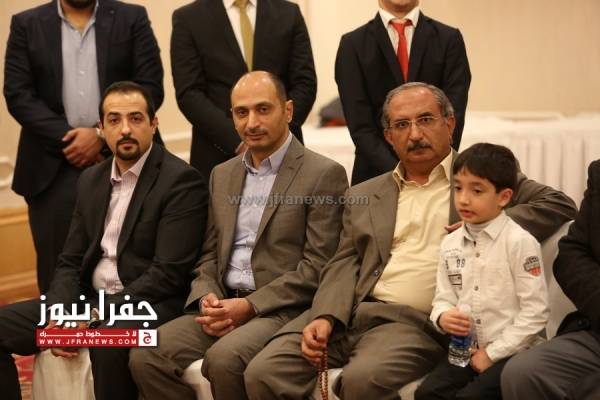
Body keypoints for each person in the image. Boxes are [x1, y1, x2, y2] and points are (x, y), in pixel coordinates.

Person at [244, 82, 576, 400]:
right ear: (389, 137)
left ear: (449, 124)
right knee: (263, 372)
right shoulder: (364, 193)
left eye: (426, 120)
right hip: (352, 315)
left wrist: (487, 223)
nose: (415, 134)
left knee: (362, 380)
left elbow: (558, 203)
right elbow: (344, 262)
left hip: (412, 322)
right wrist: (325, 315)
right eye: (402, 125)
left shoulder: (478, 180)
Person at [128, 71, 348, 400]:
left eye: (263, 109)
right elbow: (209, 254)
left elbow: (319, 266)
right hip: (224, 303)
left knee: (224, 360)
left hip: (282, 309)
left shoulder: (322, 174)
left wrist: (249, 306)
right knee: (146, 354)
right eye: (241, 112)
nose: (252, 122)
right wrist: (207, 297)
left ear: (288, 111)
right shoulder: (222, 174)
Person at [0, 81, 207, 400]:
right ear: (101, 128)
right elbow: (70, 260)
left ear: (153, 124)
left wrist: (93, 316)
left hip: (148, 304)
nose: (125, 129)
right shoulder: (91, 179)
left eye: (135, 118)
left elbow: (167, 274)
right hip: (89, 300)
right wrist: (61, 313)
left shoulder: (180, 181)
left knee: (106, 340)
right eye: (114, 120)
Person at [3, 0, 164, 293]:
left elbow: (150, 86)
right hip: (50, 169)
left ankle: (116, 324)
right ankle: (61, 324)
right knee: (57, 275)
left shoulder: (131, 17)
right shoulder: (26, 24)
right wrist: (71, 138)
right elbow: (18, 94)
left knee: (132, 265)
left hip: (124, 160)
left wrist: (100, 135)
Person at [414, 143, 549, 400]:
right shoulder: (450, 243)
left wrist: (492, 353)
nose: (464, 199)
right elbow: (443, 298)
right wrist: (443, 316)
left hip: (514, 352)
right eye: (458, 188)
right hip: (465, 350)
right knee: (427, 394)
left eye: (477, 190)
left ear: (504, 197)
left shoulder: (519, 242)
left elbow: (536, 312)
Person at [170, 0, 317, 179]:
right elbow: (189, 93)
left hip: (286, 155)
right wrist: (239, 141)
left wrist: (277, 135)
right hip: (218, 155)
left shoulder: (288, 13)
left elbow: (305, 83)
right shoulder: (188, 18)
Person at [336, 0, 470, 185]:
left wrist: (432, 167)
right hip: (376, 175)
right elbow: (360, 125)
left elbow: (453, 115)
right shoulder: (353, 44)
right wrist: (401, 173)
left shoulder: (449, 39)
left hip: (438, 173)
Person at [501, 160, 600, 400]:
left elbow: (558, 204)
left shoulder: (484, 166)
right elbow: (572, 252)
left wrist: (488, 225)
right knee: (523, 372)